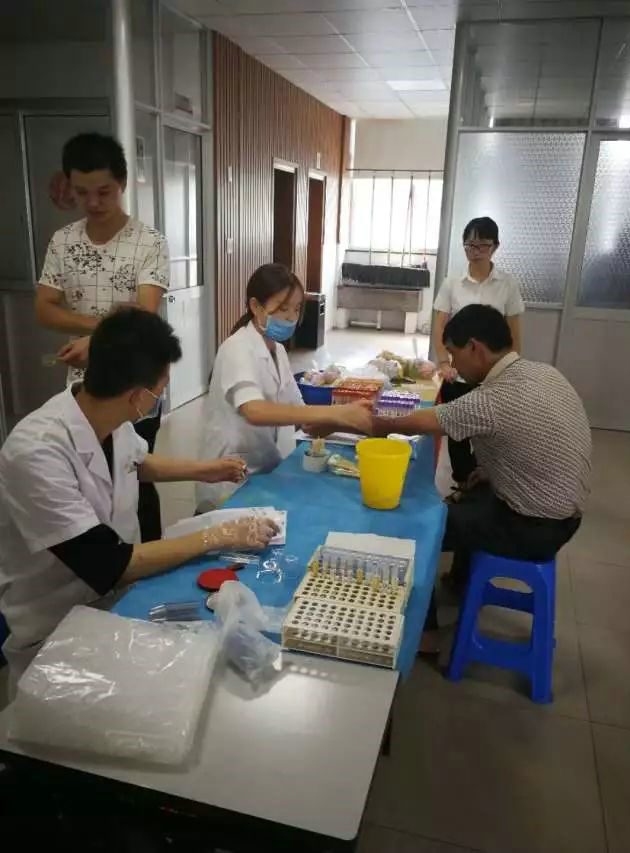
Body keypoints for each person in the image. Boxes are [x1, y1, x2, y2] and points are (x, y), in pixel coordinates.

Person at [0, 308, 277, 690]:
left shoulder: (107, 416)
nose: (159, 399)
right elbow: (108, 563)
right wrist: (221, 535)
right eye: (160, 390)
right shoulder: (36, 452)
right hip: (55, 631)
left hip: (117, 604)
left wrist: (205, 470)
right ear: (137, 396)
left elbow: (136, 462)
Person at [369, 304, 591, 601]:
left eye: (453, 354)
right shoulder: (545, 373)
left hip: (536, 528)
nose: (454, 365)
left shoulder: (492, 399)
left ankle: (426, 625)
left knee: (419, 527)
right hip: (566, 516)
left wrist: (356, 418)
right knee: (469, 491)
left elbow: (415, 423)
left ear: (475, 348)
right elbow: (536, 442)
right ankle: (460, 583)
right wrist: (491, 472)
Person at [34, 132, 169, 541]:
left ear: (122, 184)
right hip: (82, 386)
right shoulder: (64, 241)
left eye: (103, 192)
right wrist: (102, 330)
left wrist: (99, 339)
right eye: (82, 193)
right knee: (88, 479)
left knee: (137, 473)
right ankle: (103, 558)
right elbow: (44, 309)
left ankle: (151, 558)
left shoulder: (148, 242)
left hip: (137, 384)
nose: (93, 202)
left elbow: (144, 313)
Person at [197, 263, 371, 511]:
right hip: (228, 481)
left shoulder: (277, 350)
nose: (291, 317)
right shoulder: (237, 348)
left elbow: (303, 417)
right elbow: (254, 411)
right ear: (256, 306)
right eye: (282, 308)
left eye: (297, 309)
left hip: (262, 471)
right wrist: (337, 412)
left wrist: (353, 425)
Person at [432, 217, 525, 491]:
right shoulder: (452, 282)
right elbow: (439, 326)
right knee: (457, 433)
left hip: (493, 377)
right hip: (458, 374)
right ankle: (463, 485)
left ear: (495, 247)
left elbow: (514, 334)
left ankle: (488, 484)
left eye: (482, 245)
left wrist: (509, 373)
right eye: (470, 245)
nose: (476, 252)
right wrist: (443, 362)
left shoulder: (507, 284)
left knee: (490, 433)